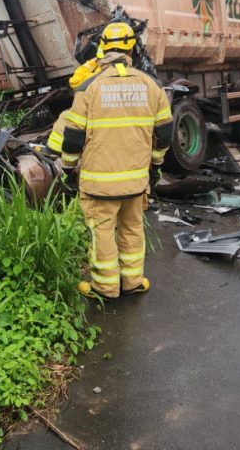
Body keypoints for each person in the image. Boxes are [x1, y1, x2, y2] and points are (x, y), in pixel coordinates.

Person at [60, 22, 173, 299]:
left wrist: (67, 168)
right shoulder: (152, 86)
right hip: (136, 182)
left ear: (102, 49)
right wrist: (156, 166)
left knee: (103, 234)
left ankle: (105, 287)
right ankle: (133, 281)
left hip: (100, 185)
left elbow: (73, 137)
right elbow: (165, 134)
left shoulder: (89, 88)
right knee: (133, 229)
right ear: (131, 48)